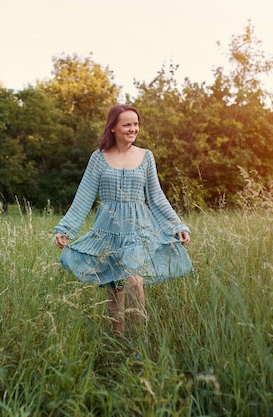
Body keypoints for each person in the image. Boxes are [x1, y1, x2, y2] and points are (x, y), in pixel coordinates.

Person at [53, 104, 194, 337]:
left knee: (134, 280)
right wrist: (66, 229)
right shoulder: (99, 158)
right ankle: (119, 342)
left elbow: (156, 196)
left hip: (139, 229)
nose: (133, 129)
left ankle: (138, 340)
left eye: (136, 124)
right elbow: (85, 195)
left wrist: (177, 225)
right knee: (114, 288)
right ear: (113, 128)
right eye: (127, 124)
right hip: (107, 229)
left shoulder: (146, 156)